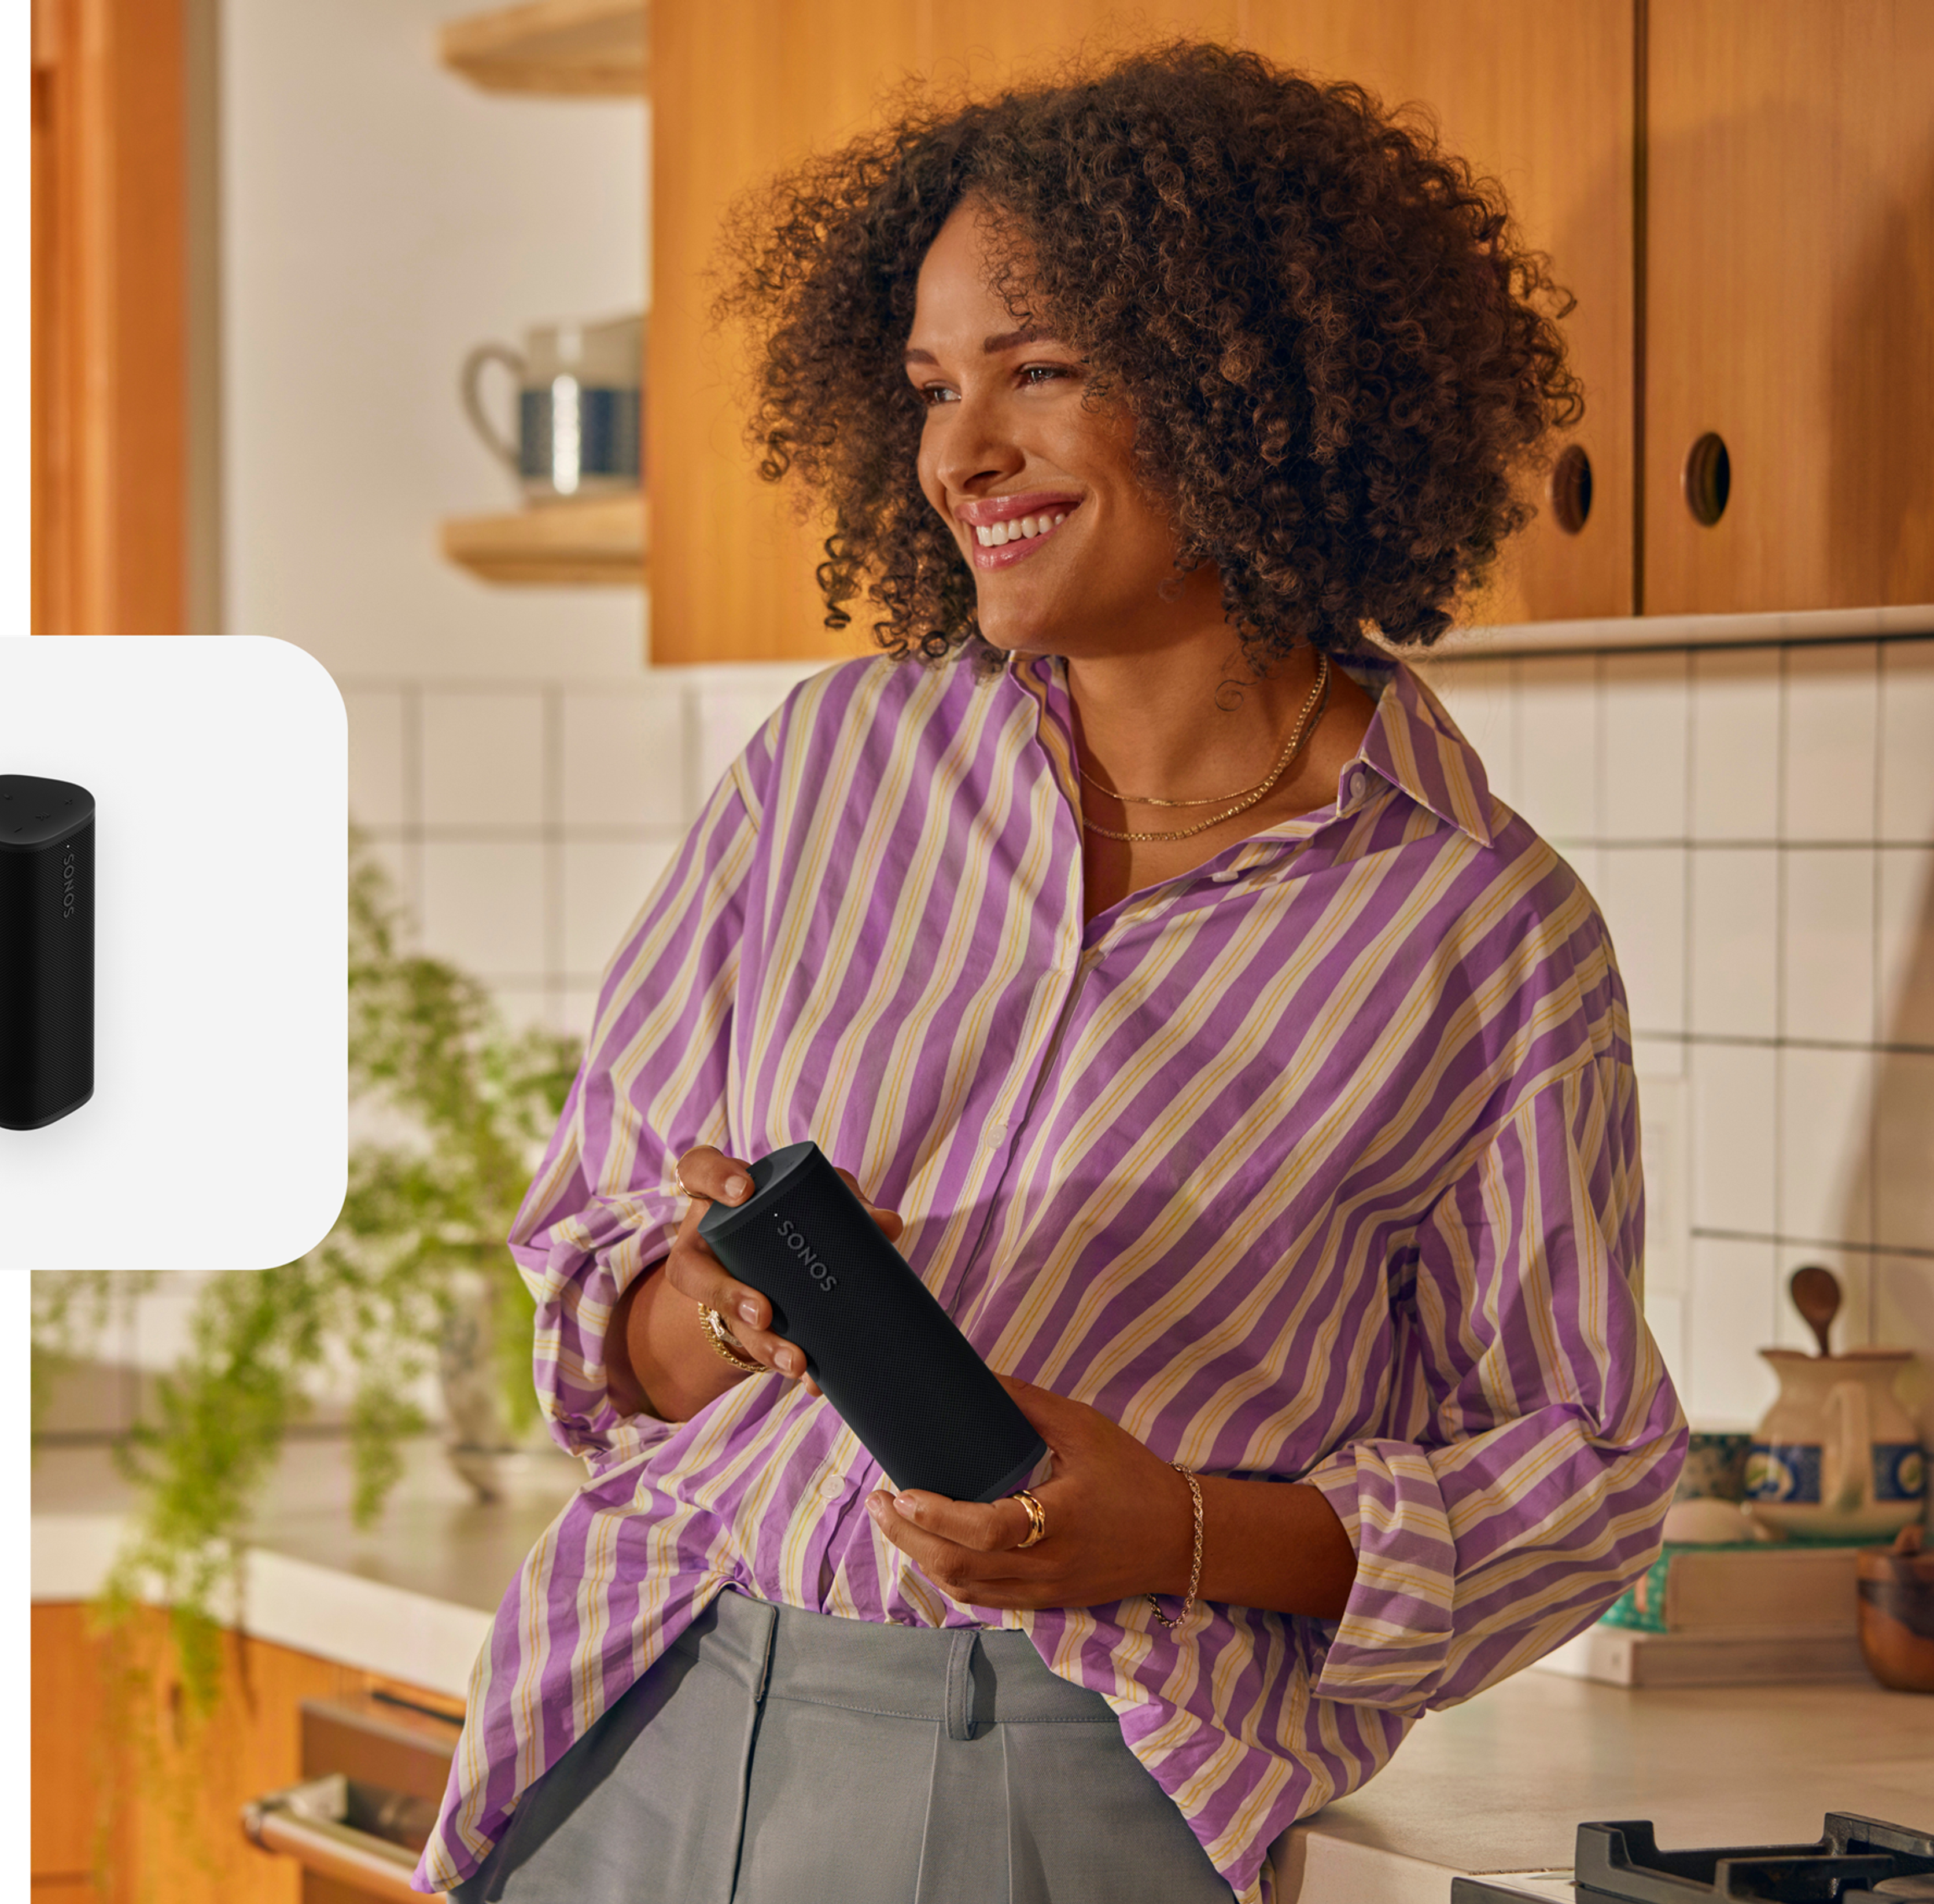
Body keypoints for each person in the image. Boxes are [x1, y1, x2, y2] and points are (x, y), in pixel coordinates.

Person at [415, 39, 1685, 1904]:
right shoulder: (829, 767)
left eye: (1042, 371)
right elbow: (591, 1313)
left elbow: (1585, 1475)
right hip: (639, 1695)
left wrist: (1171, 1530)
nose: (959, 453)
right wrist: (722, 1298)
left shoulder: (1478, 926)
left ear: (1258, 389)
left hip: (1049, 1772)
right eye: (933, 386)